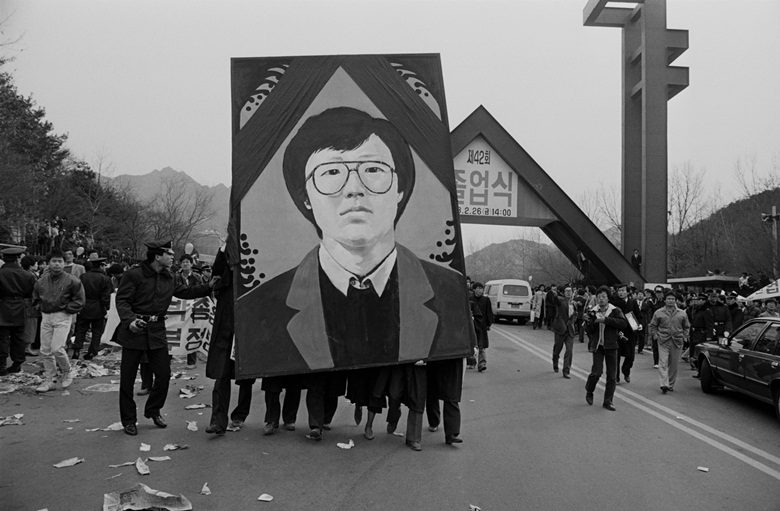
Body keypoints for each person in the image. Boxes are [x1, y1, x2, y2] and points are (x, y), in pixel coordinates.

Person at [234, 107, 473, 376]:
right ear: (305, 196)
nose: (354, 189)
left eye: (372, 169)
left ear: (400, 188)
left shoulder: (450, 294)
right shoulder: (259, 308)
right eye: (331, 172)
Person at [115, 240, 214, 436]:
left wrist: (208, 286)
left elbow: (185, 292)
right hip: (135, 331)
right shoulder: (134, 275)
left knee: (163, 374)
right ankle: (128, 419)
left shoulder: (169, 277)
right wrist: (130, 320)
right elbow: (122, 300)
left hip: (157, 331)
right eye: (169, 254)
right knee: (127, 378)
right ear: (157, 256)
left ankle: (153, 410)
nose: (173, 257)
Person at [204, 246, 259, 435]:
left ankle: (240, 414)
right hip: (226, 331)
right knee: (222, 374)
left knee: (246, 377)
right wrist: (225, 246)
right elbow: (217, 268)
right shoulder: (225, 280)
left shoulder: (256, 280)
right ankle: (217, 421)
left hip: (246, 330)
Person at [32, 248, 85, 392]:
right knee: (45, 350)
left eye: (60, 261)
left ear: (64, 263)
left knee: (57, 348)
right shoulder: (41, 281)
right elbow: (35, 297)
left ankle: (67, 371)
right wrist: (39, 306)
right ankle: (51, 379)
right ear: (48, 263)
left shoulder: (72, 280)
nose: (57, 264)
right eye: (54, 261)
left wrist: (67, 309)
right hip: (46, 316)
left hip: (63, 316)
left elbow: (80, 300)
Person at [584, 285, 627, 411]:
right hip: (598, 345)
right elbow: (589, 330)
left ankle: (608, 401)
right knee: (597, 372)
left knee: (612, 375)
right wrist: (589, 322)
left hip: (611, 345)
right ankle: (589, 390)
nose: (601, 299)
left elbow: (623, 323)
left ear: (608, 298)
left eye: (604, 297)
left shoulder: (615, 310)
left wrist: (606, 320)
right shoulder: (593, 311)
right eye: (599, 297)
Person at [0, 247, 38, 375]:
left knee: (2, 337)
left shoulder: (1, 273)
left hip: (2, 306)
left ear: (4, 258)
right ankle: (17, 363)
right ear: (17, 259)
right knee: (19, 337)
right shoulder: (27, 275)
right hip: (20, 306)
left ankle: (1, 365)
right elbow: (30, 293)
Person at [649, 290, 691, 394]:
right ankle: (664, 384)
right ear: (665, 300)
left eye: (672, 299)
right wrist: (655, 336)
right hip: (663, 340)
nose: (670, 301)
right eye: (668, 299)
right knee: (663, 362)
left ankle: (670, 384)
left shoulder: (682, 313)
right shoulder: (658, 312)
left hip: (677, 341)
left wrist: (685, 336)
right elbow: (653, 326)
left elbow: (687, 327)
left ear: (676, 300)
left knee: (673, 364)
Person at [73, 258, 113, 360]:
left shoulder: (83, 276)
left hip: (84, 306)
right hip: (98, 307)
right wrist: (108, 307)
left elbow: (77, 292)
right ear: (101, 266)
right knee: (97, 332)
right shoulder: (105, 278)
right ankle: (92, 352)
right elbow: (106, 296)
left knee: (81, 330)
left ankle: (76, 350)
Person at [611, 283, 640, 384]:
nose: (621, 292)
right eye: (619, 291)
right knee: (616, 355)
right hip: (618, 331)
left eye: (623, 290)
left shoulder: (633, 302)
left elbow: (638, 315)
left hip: (630, 331)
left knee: (630, 356)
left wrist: (639, 325)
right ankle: (616, 377)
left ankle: (626, 371)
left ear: (628, 292)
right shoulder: (614, 303)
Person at [550, 285, 576, 378]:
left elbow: (575, 315)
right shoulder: (561, 300)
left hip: (570, 330)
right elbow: (555, 300)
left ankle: (566, 371)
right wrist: (555, 294)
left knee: (569, 351)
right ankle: (555, 361)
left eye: (570, 291)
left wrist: (573, 322)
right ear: (564, 293)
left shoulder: (574, 303)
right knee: (557, 349)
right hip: (560, 328)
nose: (569, 292)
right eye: (566, 291)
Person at [469, 282, 492, 372]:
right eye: (478, 288)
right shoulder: (470, 299)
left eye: (481, 288)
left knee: (482, 345)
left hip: (482, 325)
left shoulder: (486, 300)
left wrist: (489, 324)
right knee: (472, 343)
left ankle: (482, 363)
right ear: (474, 289)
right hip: (472, 324)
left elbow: (489, 312)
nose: (480, 290)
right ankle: (472, 361)